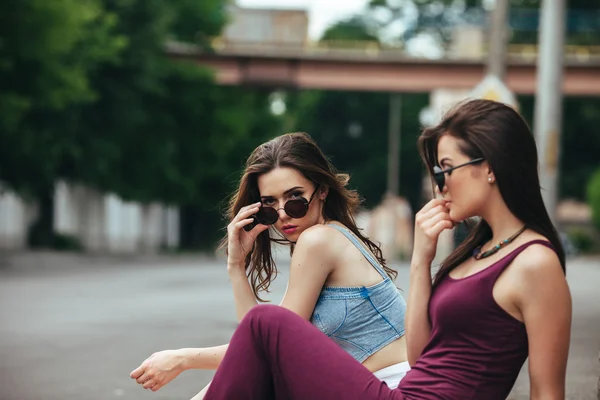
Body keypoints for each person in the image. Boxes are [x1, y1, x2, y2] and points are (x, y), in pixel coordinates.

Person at [195, 99, 572, 400]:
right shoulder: (474, 254)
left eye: (446, 169)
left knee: (268, 323)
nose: (438, 185)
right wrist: (423, 260)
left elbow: (547, 391)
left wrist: (184, 360)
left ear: (489, 167)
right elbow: (420, 357)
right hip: (403, 390)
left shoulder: (535, 262)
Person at [129, 132, 410, 397]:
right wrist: (236, 266)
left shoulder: (319, 241)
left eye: (295, 200)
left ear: (322, 191)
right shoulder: (325, 237)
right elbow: (257, 344)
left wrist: (183, 359)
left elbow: (263, 345)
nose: (283, 215)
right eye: (269, 204)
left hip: (390, 388)